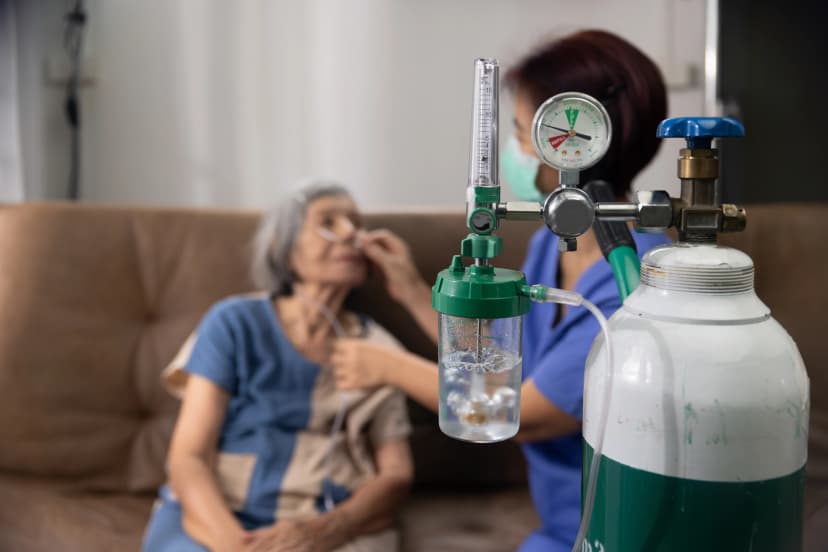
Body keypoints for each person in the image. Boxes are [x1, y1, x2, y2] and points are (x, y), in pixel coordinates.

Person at [330, 30, 670, 552]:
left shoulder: (640, 277)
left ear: (581, 143)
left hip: (624, 531)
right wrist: (411, 291)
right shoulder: (550, 245)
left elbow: (522, 415)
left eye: (522, 131)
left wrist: (383, 364)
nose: (515, 150)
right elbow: (490, 362)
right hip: (561, 527)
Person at [142, 182, 414, 552]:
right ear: (284, 250)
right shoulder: (234, 322)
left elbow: (397, 474)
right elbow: (189, 458)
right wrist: (237, 546)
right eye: (328, 222)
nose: (351, 234)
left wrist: (324, 531)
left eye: (355, 223)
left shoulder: (378, 351)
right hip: (219, 515)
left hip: (325, 523)